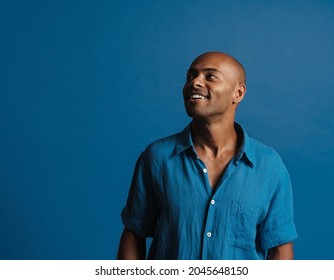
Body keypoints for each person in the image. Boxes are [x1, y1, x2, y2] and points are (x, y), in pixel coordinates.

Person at [117, 51, 298, 260]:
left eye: (210, 76)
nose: (194, 83)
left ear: (238, 93)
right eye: (190, 76)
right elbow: (134, 232)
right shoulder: (156, 158)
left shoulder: (269, 166)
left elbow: (279, 249)